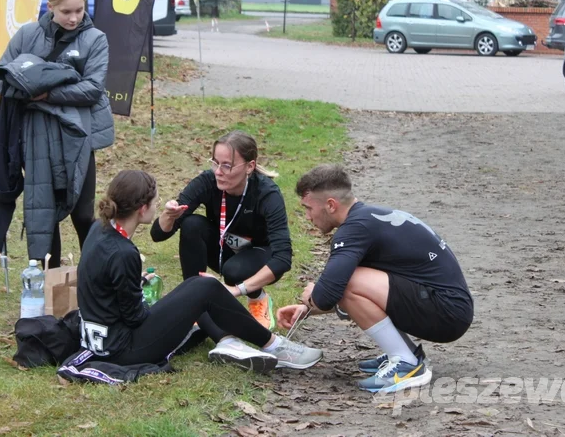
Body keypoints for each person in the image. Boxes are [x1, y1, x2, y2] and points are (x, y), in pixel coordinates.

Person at [68, 170, 322, 378]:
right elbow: (135, 317)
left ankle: (230, 341)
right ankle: (275, 346)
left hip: (98, 338)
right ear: (142, 208)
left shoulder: (98, 230)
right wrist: (154, 300)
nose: (158, 207)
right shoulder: (124, 252)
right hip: (122, 349)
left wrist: (139, 286)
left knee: (197, 288)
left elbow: (103, 284)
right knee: (204, 288)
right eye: (156, 203)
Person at [275, 164, 473, 394]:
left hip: (447, 313)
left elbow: (327, 295)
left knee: (350, 280)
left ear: (330, 205)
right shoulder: (369, 218)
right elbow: (354, 295)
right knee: (349, 281)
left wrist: (312, 300)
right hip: (448, 306)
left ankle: (407, 364)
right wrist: (307, 309)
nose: (307, 217)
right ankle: (402, 351)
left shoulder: (355, 229)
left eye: (308, 208)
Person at [0, 0, 114, 268]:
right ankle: (49, 284)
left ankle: (96, 274)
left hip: (78, 135)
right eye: (66, 11)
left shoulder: (95, 39)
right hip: (34, 137)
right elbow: (1, 81)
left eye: (79, 11)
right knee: (45, 213)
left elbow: (93, 89)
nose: (73, 18)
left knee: (83, 213)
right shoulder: (27, 34)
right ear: (50, 7)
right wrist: (26, 89)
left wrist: (45, 94)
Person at [151, 130, 292, 331]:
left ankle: (257, 298)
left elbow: (283, 258)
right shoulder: (208, 181)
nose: (218, 171)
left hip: (258, 253)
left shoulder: (267, 193)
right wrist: (168, 216)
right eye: (215, 162)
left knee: (233, 271)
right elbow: (158, 235)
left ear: (250, 166)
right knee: (192, 224)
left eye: (227, 165)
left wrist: (237, 290)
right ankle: (194, 303)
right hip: (223, 246)